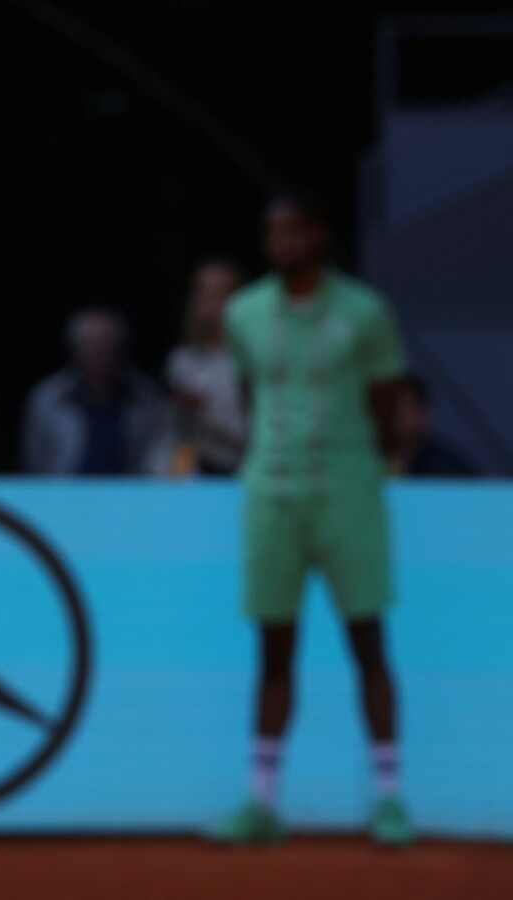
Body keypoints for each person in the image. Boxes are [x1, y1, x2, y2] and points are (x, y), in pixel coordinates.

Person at [206, 187, 415, 847]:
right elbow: (248, 395)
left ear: (321, 235)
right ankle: (262, 803)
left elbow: (387, 403)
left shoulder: (365, 311)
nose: (284, 243)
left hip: (350, 492)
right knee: (273, 650)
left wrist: (358, 460)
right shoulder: (244, 313)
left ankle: (389, 800)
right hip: (271, 493)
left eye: (296, 231)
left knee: (368, 644)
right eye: (275, 233)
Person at [20, 304, 175, 475]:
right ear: (74, 348)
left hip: (129, 496)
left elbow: (155, 460)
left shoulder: (146, 397)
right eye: (89, 342)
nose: (99, 350)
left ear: (120, 346)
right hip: (64, 496)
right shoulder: (47, 398)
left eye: (106, 342)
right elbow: (34, 464)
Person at [163, 257, 248, 477]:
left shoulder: (252, 359)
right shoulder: (182, 361)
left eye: (221, 293)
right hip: (197, 474)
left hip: (245, 469)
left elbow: (257, 429)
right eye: (203, 292)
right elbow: (170, 433)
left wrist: (205, 409)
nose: (211, 301)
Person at [387, 372, 480, 477]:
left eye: (403, 408)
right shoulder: (370, 460)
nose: (394, 415)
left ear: (424, 414)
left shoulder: (450, 469)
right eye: (387, 407)